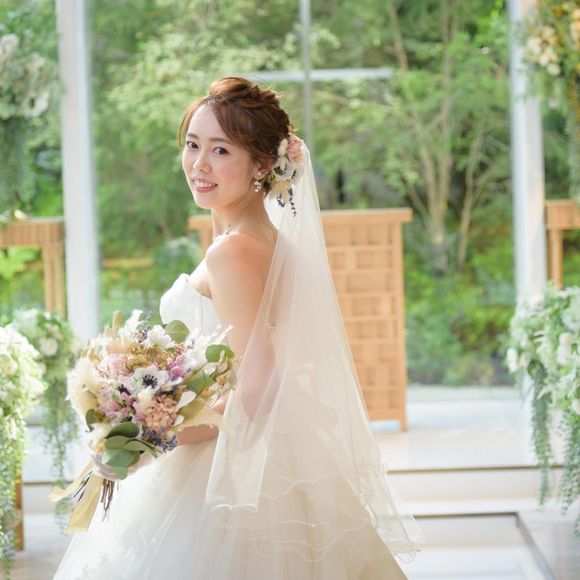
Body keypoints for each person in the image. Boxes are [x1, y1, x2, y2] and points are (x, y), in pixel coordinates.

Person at [53, 77, 423, 579]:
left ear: (263, 164)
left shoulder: (232, 252)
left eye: (221, 150)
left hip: (228, 472)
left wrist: (150, 439)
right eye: (192, 145)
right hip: (266, 457)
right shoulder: (259, 239)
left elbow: (261, 386)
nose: (199, 164)